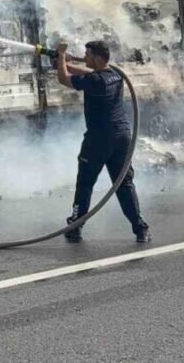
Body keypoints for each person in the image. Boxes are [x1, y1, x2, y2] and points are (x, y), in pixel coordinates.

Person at [54, 41, 151, 244]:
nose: (86, 58)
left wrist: (62, 57)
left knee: (85, 183)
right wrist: (66, 61)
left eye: (88, 55)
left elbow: (64, 79)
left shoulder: (95, 81)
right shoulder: (115, 75)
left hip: (98, 139)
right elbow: (86, 71)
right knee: (124, 184)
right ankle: (141, 229)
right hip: (122, 136)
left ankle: (75, 226)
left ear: (98, 58)